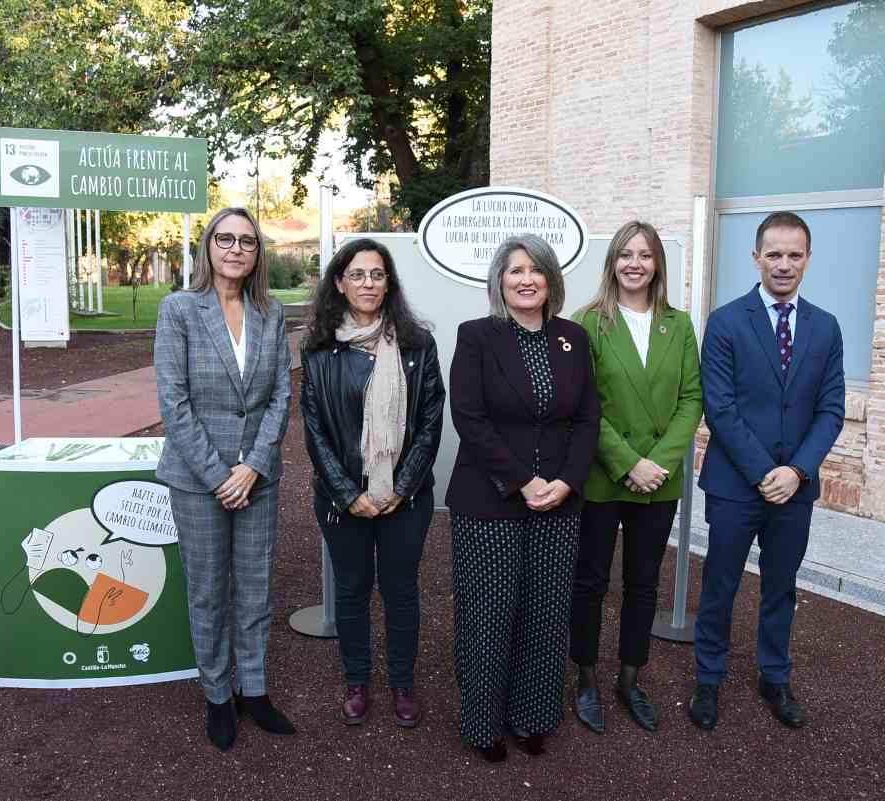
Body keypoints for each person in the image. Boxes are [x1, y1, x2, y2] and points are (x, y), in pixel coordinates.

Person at [446, 235, 601, 762]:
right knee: (487, 616)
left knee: (546, 612)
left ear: (551, 280)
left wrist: (566, 481)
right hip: (490, 501)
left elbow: (587, 419)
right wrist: (522, 481)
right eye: (515, 270)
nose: (526, 279)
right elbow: (469, 417)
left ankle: (532, 714)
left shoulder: (573, 339)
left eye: (536, 270)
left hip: (558, 503)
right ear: (499, 280)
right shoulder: (477, 337)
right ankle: (483, 723)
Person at [689, 211, 845, 731]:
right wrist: (764, 472)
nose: (783, 264)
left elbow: (831, 409)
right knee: (720, 585)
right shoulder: (728, 321)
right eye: (773, 254)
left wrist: (797, 471)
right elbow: (721, 407)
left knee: (782, 586)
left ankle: (774, 675)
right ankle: (707, 679)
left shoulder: (826, 326)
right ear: (756, 257)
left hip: (795, 489)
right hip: (737, 485)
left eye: (794, 255)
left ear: (808, 259)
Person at [154, 208, 295, 751]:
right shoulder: (180, 310)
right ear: (208, 246)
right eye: (225, 238)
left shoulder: (271, 312)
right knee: (209, 591)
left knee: (256, 587)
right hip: (198, 480)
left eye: (247, 242)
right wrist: (220, 476)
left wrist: (254, 465)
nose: (236, 248)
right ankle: (217, 693)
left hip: (258, 475)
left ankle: (253, 689)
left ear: (258, 254)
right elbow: (174, 401)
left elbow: (282, 393)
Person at [300, 239, 445, 728]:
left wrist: (401, 486)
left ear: (389, 283)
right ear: (340, 282)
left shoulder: (417, 344)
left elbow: (429, 423)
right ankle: (357, 680)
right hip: (344, 499)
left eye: (377, 275)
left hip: (405, 497)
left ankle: (402, 682)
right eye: (358, 275)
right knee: (353, 589)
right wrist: (348, 494)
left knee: (402, 590)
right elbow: (314, 429)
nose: (368, 283)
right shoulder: (319, 347)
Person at [569, 221, 702, 735]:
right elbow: (585, 406)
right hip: (605, 476)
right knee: (591, 581)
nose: (635, 264)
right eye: (625, 254)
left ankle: (629, 677)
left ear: (657, 265)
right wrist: (628, 463)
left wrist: (657, 462)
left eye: (645, 255)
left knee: (643, 583)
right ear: (612, 263)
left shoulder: (680, 325)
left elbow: (692, 399)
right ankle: (585, 678)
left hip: (659, 479)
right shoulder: (587, 322)